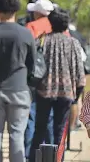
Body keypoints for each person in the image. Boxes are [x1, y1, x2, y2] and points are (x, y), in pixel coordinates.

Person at [0, 0, 34, 162]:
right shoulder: (26, 34)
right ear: (16, 11)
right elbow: (32, 63)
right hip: (19, 88)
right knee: (16, 135)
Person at [29, 8, 86, 161]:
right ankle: (58, 160)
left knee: (39, 130)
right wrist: (77, 95)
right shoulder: (73, 43)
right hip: (66, 93)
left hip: (43, 91)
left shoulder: (42, 40)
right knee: (60, 132)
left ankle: (34, 159)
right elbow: (80, 75)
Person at [24, 0, 55, 157]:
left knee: (31, 116)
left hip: (35, 79)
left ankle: (29, 154)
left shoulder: (32, 27)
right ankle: (50, 154)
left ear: (37, 13)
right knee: (49, 118)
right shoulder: (57, 26)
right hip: (54, 80)